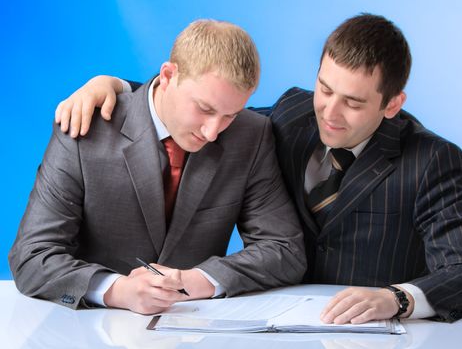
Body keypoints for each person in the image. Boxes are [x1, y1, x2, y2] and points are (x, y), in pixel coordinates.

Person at [53, 14, 462, 323]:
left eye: (354, 102)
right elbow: (206, 108)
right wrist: (114, 85)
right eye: (325, 88)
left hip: (372, 336)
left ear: (394, 104)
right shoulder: (290, 114)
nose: (331, 113)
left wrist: (398, 299)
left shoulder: (434, 160)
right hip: (268, 322)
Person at [8, 19, 306, 315]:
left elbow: (284, 250)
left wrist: (196, 281)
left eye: (230, 115)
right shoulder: (86, 127)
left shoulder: (251, 135)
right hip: (91, 329)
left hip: (195, 330)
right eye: (204, 108)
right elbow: (32, 255)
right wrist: (115, 290)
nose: (213, 131)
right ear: (167, 75)